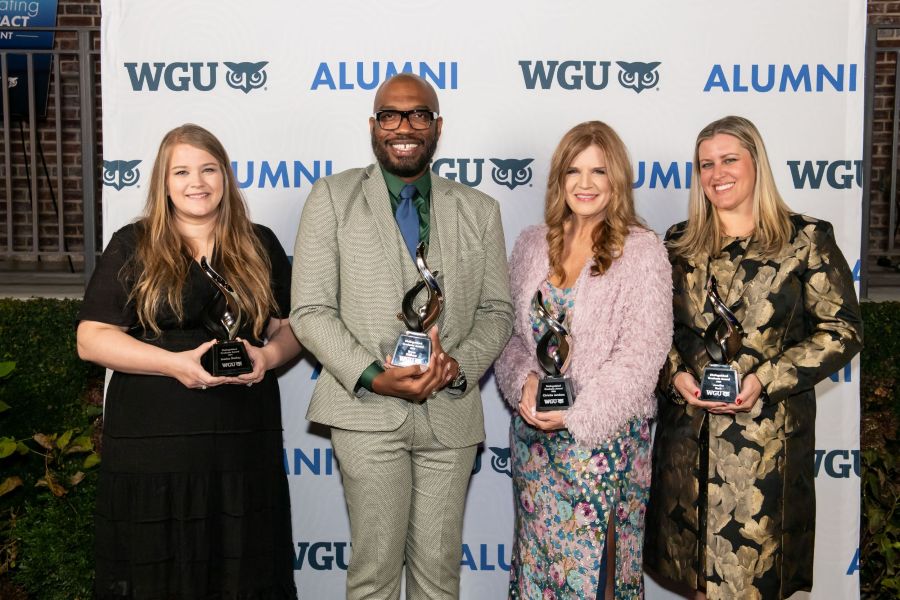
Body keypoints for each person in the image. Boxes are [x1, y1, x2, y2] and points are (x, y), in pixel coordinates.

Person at [290, 73, 514, 600]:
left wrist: (456, 366)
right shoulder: (332, 198)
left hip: (450, 416)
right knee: (374, 574)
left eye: (418, 115)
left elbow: (498, 311)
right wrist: (375, 376)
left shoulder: (479, 210)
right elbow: (310, 310)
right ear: (373, 125)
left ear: (437, 127)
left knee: (439, 577)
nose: (404, 127)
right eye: (390, 115)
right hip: (366, 413)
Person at [644, 115, 863, 599]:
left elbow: (842, 329)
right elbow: (653, 332)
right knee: (700, 586)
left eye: (728, 160)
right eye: (705, 164)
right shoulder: (678, 243)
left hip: (765, 455)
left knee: (754, 586)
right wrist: (676, 377)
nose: (716, 173)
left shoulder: (805, 239)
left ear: (755, 163)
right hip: (689, 448)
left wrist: (765, 378)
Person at [77, 124, 300, 599]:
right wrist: (174, 363)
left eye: (207, 169)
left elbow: (291, 326)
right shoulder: (132, 244)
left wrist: (269, 354)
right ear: (164, 180)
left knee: (243, 572)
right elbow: (91, 339)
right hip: (155, 451)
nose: (196, 182)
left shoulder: (259, 243)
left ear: (225, 176)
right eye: (181, 171)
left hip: (243, 450)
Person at [494, 121, 673, 599]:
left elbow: (643, 354)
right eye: (574, 171)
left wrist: (577, 417)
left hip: (603, 446)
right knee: (539, 575)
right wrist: (524, 384)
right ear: (559, 179)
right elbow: (511, 339)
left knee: (600, 579)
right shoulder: (533, 243)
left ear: (617, 179)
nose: (586, 183)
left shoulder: (641, 250)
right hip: (535, 446)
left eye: (599, 170)